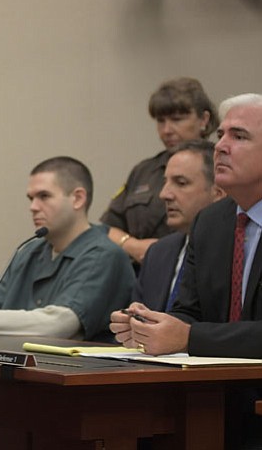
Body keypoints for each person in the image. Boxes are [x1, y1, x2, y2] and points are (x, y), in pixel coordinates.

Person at [111, 94, 262, 449]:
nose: (221, 146)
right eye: (221, 135)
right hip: (211, 401)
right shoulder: (210, 222)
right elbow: (188, 313)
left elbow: (191, 332)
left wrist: (188, 338)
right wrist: (149, 327)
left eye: (239, 136)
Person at [0, 156, 135, 341]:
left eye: (44, 196)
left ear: (78, 198)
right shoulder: (28, 251)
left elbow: (59, 325)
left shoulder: (103, 255)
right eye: (31, 198)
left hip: (77, 368)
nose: (33, 207)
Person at [100, 77, 218, 264]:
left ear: (204, 119)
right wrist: (133, 246)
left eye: (177, 119)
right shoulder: (144, 171)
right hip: (142, 275)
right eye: (160, 121)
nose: (166, 130)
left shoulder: (220, 166)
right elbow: (106, 229)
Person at [134, 140, 225, 311]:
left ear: (218, 193)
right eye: (165, 182)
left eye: (181, 183)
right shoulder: (158, 252)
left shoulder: (233, 254)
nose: (164, 194)